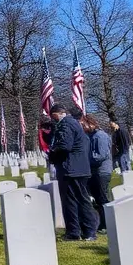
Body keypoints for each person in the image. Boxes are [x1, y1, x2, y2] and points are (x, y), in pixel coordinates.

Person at [48, 103, 98, 241]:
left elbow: (65, 145)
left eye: (53, 117)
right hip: (79, 168)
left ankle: (77, 231)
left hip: (71, 169)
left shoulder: (66, 124)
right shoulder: (75, 124)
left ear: (58, 113)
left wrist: (52, 154)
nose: (53, 120)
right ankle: (84, 230)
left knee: (71, 201)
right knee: (81, 200)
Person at [83, 114, 112, 231]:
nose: (83, 128)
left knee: (102, 198)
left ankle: (106, 223)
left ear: (91, 123)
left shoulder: (100, 136)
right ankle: (100, 223)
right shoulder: (91, 136)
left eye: (84, 125)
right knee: (95, 199)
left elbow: (100, 155)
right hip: (94, 171)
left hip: (102, 172)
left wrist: (85, 160)